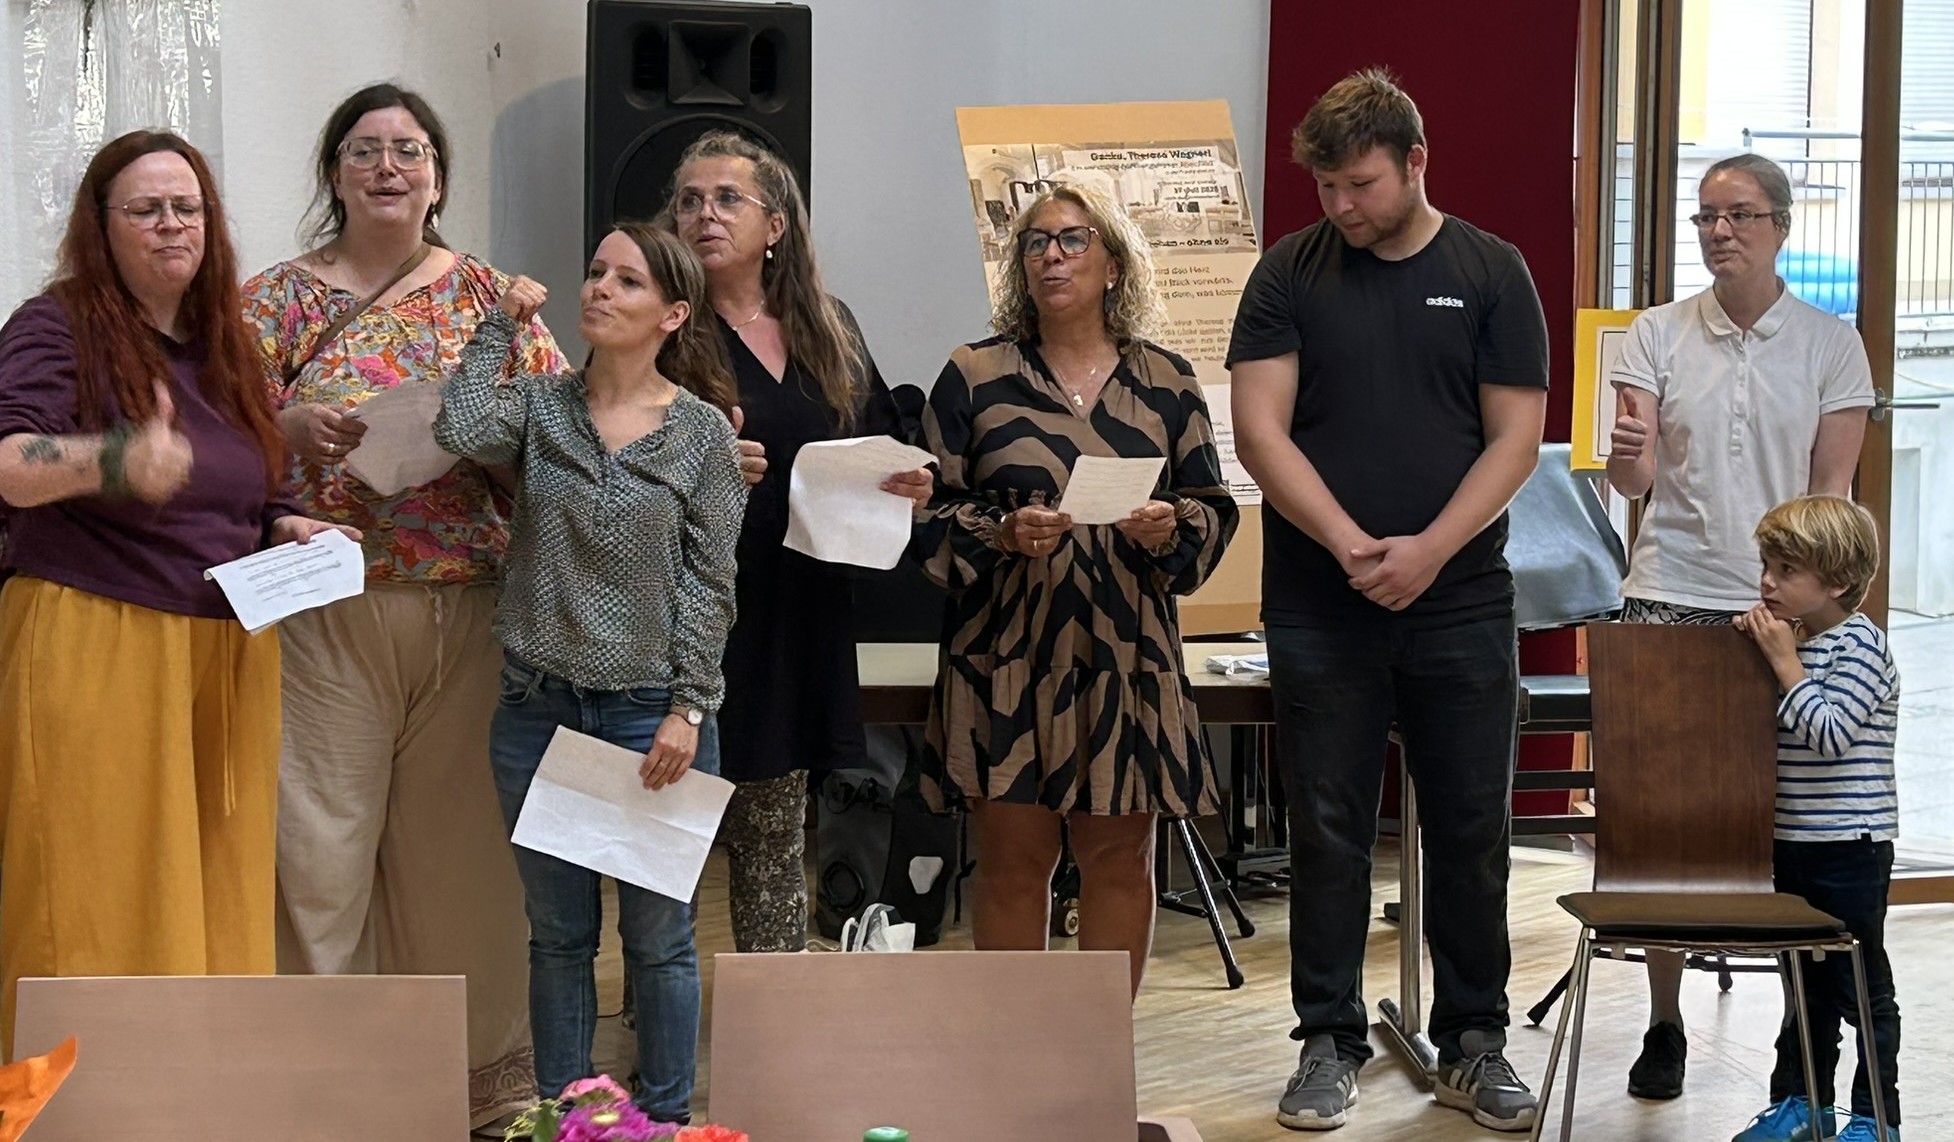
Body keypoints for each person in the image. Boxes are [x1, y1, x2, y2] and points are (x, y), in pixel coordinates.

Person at [1229, 69, 1548, 1133]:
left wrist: (1429, 552)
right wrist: (1348, 542)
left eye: (1359, 185)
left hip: (1462, 600)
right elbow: (1260, 431)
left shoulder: (1491, 270)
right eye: (1324, 188)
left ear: (1416, 162)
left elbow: (1515, 438)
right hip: (1321, 603)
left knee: (1470, 826)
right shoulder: (1288, 271)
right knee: (1325, 829)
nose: (1340, 206)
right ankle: (1327, 1039)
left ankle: (1474, 1039)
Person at [240, 83, 565, 1123]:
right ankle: (319, 1095)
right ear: (333, 175)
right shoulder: (273, 303)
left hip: (469, 609)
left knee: (462, 859)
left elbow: (563, 445)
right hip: (322, 607)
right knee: (315, 853)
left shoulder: (492, 300)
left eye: (410, 151)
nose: (388, 167)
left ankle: (470, 1090)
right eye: (365, 150)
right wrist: (289, 428)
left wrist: (489, 445)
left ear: (438, 179)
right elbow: (216, 441)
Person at [0, 130, 353, 1056]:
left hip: (225, 651)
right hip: (97, 639)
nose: (171, 225)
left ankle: (197, 1093)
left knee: (218, 895)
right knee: (93, 896)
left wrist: (288, 524)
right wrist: (116, 458)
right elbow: (12, 464)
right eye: (146, 209)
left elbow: (254, 479)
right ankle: (74, 1104)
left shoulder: (223, 343)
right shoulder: (56, 326)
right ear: (101, 226)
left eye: (187, 207)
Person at [434, 222, 745, 1123]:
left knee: (660, 938)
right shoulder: (541, 407)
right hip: (540, 709)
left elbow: (711, 582)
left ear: (672, 314)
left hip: (652, 716)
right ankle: (566, 1121)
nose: (600, 288)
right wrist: (501, 323)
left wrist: (689, 707)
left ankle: (665, 1121)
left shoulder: (700, 435)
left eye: (628, 280)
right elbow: (459, 425)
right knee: (560, 938)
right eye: (597, 272)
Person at [915, 182, 1238, 999]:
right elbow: (926, 513)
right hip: (1007, 660)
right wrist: (1001, 531)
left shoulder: (1166, 380)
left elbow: (1213, 509)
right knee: (1012, 860)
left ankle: (1098, 1052)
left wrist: (1171, 526)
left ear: (1114, 263)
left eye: (1072, 239)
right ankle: (1017, 1051)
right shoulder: (975, 373)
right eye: (1035, 243)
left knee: (1120, 859)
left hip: (1125, 659)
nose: (1051, 256)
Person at [1604, 152, 1874, 1102]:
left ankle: (1803, 1044)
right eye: (1707, 217)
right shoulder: (1656, 332)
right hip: (1670, 591)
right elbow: (1632, 482)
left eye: (1741, 215)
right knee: (1666, 824)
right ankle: (1664, 1022)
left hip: (1784, 607)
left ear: (1782, 225)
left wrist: (1816, 613)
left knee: (1796, 822)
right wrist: (1626, 455)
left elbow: (1832, 500)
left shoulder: (1832, 344)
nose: (1720, 232)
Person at [664, 131, 930, 954]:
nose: (705, 215)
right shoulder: (661, 324)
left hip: (800, 608)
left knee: (773, 835)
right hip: (689, 614)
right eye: (689, 201)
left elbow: (876, 434)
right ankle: (658, 1020)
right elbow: (608, 449)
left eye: (727, 199)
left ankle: (772, 1012)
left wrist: (907, 481)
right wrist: (699, 462)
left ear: (775, 226)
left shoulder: (827, 324)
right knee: (669, 840)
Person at [1729, 495, 1901, 1142]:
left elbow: (1828, 735)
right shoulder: (1797, 641)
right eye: (1766, 566)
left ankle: (1876, 1118)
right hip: (1792, 843)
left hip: (1850, 847)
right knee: (1804, 986)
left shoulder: (1862, 647)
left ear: (1838, 582)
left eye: (1787, 570)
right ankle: (1802, 1103)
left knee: (1862, 991)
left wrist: (1783, 664)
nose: (1767, 582)